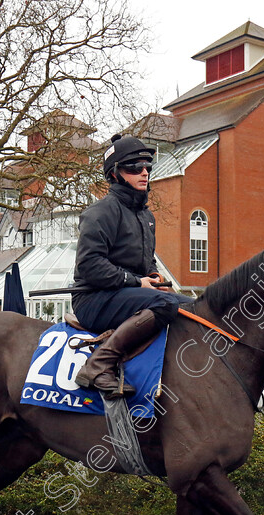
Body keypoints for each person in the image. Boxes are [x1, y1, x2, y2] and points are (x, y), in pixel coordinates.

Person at [72, 134, 194, 399]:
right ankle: (98, 365)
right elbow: (90, 265)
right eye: (134, 168)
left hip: (127, 295)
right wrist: (138, 282)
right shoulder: (100, 212)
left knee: (192, 307)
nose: (144, 173)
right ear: (115, 174)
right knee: (164, 304)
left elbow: (145, 261)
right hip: (93, 299)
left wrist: (152, 274)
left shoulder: (146, 216)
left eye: (147, 167)